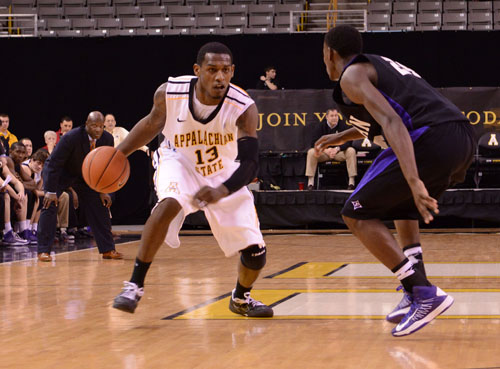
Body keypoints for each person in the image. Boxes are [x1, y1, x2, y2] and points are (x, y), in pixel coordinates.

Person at [315, 25, 475, 337]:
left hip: (431, 137)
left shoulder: (351, 76)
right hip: (460, 136)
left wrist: (414, 180)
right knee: (402, 208)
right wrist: (340, 134)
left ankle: (425, 293)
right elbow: (381, 118)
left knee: (355, 213)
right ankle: (414, 292)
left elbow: (392, 120)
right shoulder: (378, 64)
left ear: (329, 53)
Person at [112, 42, 273, 318]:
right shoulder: (170, 93)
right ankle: (134, 285)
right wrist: (118, 155)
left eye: (225, 70)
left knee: (256, 253)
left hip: (223, 170)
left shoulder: (243, 106)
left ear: (232, 71)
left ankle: (241, 298)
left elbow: (249, 163)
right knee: (169, 204)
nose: (219, 77)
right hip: (179, 160)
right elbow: (151, 124)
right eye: (212, 70)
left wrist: (221, 190)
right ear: (198, 70)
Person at [36, 111, 123, 262]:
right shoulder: (71, 137)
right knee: (50, 204)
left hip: (87, 176)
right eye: (94, 126)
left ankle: (108, 249)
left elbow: (105, 167)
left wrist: (104, 191)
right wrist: (50, 191)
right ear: (86, 124)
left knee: (100, 205)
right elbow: (53, 164)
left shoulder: (107, 139)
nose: (97, 129)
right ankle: (43, 250)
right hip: (64, 173)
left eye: (101, 126)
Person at [306, 108, 357, 190]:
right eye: (332, 116)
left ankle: (351, 182)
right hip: (324, 153)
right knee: (311, 152)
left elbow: (349, 142)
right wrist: (325, 150)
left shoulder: (343, 125)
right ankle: (310, 183)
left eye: (336, 115)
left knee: (351, 151)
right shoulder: (320, 126)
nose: (334, 118)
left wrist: (337, 149)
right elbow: (314, 143)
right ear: (326, 117)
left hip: (338, 153)